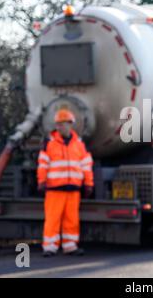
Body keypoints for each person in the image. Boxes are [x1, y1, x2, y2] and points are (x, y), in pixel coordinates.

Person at [37, 109, 94, 257]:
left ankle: (70, 246)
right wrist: (42, 181)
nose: (61, 127)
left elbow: (86, 165)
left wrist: (88, 183)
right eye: (59, 124)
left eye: (64, 124)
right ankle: (49, 247)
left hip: (73, 189)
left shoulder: (79, 145)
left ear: (71, 125)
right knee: (52, 220)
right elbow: (43, 164)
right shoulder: (49, 144)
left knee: (72, 220)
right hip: (55, 189)